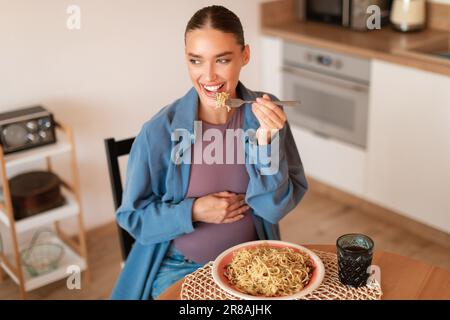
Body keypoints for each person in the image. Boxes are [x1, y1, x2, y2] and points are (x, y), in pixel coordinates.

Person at [110, 5, 308, 300]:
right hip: (180, 267)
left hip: (252, 263)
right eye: (196, 60)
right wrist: (194, 210)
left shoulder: (266, 115)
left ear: (245, 56)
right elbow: (134, 218)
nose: (208, 75)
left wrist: (265, 145)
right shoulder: (158, 132)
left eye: (223, 60)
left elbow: (274, 209)